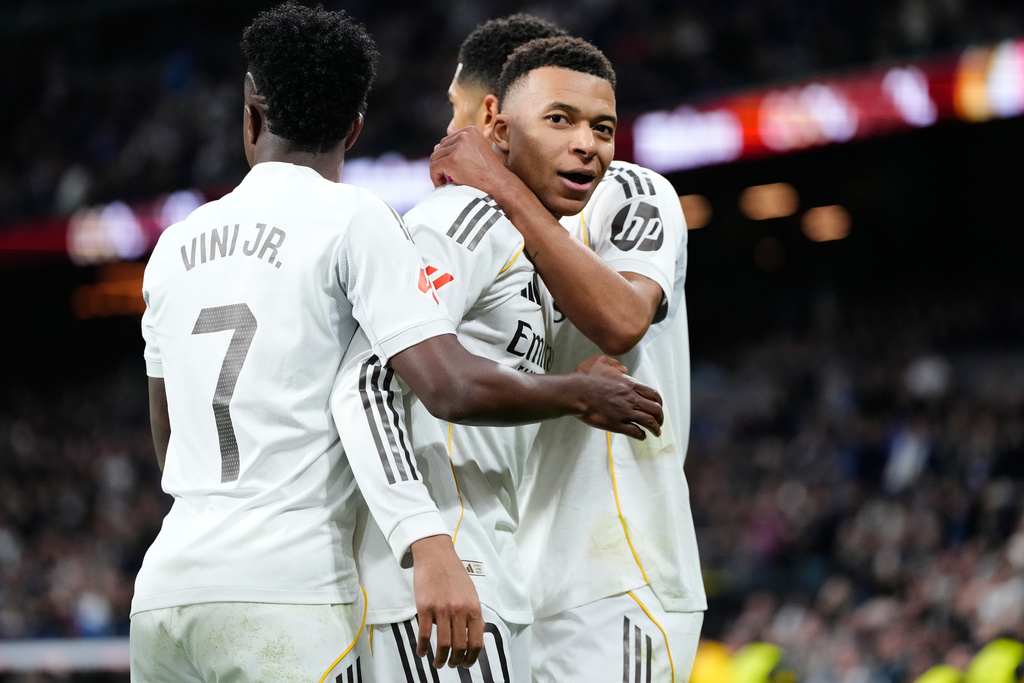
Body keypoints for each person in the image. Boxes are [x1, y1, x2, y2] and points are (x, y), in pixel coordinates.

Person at [130, 5, 663, 682]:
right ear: (354, 128)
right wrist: (575, 394)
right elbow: (426, 381)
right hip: (290, 586)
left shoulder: (172, 247)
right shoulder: (357, 218)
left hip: (168, 586)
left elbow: (169, 434)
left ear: (251, 119)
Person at [431, 14, 707, 682]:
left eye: (458, 111)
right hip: (517, 579)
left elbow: (621, 320)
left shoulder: (630, 192)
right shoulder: (489, 232)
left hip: (620, 575)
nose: (452, 136)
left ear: (494, 115)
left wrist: (502, 187)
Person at [352, 35, 620, 683]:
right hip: (441, 585)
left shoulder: (529, 243)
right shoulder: (464, 216)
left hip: (481, 575)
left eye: (603, 128)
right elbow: (367, 377)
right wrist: (428, 545)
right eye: (560, 120)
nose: (586, 144)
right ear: (499, 125)